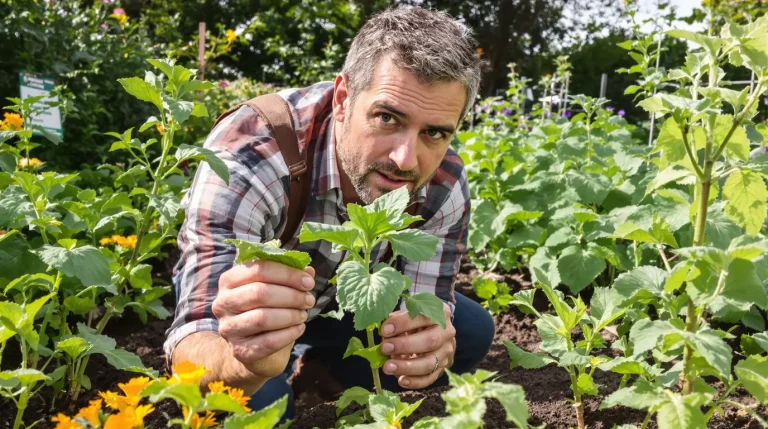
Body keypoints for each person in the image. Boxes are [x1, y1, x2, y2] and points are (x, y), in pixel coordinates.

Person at [164, 6, 494, 418]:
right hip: (257, 310)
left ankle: (330, 377)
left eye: (435, 132)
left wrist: (427, 341)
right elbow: (197, 341)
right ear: (343, 99)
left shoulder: (443, 182)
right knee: (258, 407)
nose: (406, 159)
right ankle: (281, 378)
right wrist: (242, 362)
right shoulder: (250, 156)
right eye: (387, 117)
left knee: (472, 332)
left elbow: (425, 303)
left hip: (346, 303)